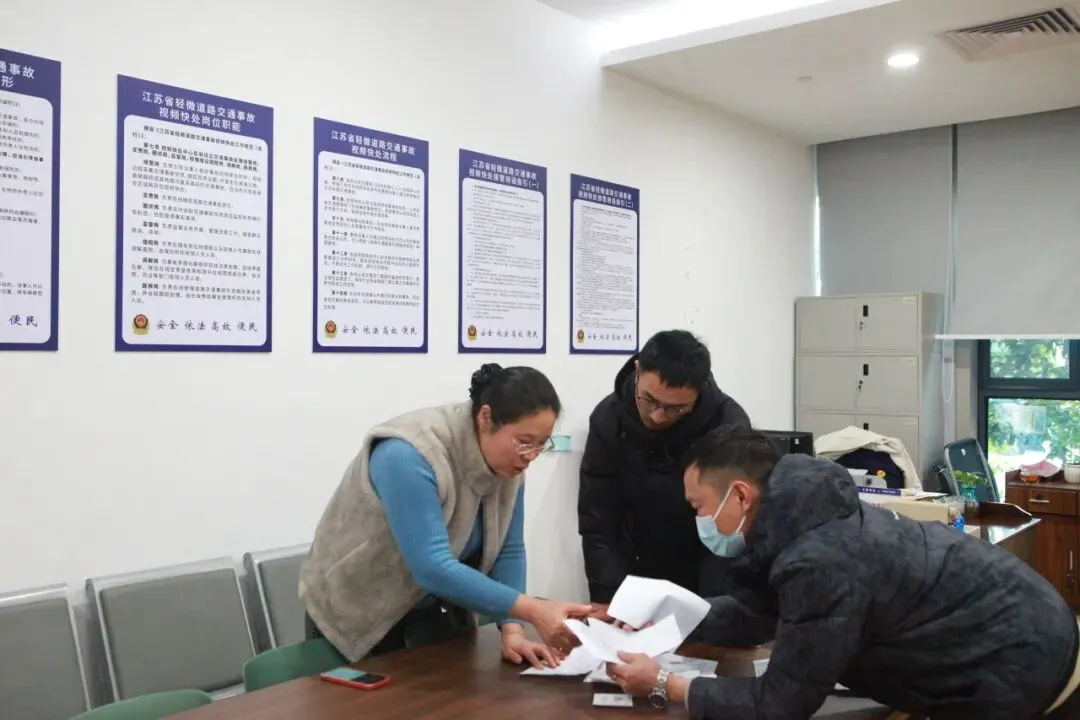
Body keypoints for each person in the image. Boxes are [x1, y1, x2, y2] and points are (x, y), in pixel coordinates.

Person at [607, 426, 1080, 718]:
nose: (698, 520)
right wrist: (662, 616)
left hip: (1023, 662)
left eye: (698, 507)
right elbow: (759, 613)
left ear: (741, 495)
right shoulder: (798, 518)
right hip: (1019, 627)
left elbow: (781, 704)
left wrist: (668, 684)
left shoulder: (818, 560)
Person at [300, 363, 591, 668]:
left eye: (541, 444)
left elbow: (509, 548)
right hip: (358, 614)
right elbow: (432, 567)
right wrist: (531, 609)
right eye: (524, 441)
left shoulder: (510, 460)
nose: (531, 456)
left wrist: (513, 629)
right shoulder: (408, 454)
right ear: (486, 417)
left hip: (430, 613)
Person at [578, 330, 750, 607]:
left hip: (704, 570)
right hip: (632, 570)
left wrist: (714, 610)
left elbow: (729, 529)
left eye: (675, 409)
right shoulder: (608, 420)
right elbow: (598, 520)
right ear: (637, 370)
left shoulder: (726, 425)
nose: (657, 416)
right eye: (649, 400)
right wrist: (607, 597)